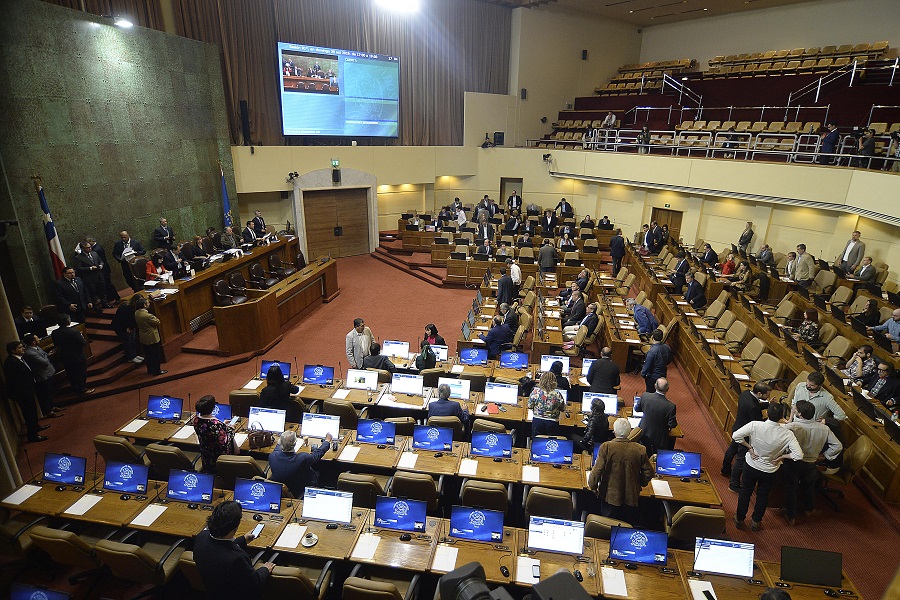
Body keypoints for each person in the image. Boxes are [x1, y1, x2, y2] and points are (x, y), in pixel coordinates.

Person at [732, 402, 802, 531]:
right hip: (770, 470)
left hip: (751, 465)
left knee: (745, 492)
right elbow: (798, 455)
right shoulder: (787, 434)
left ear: (767, 413)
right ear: (782, 416)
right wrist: (782, 457)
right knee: (763, 496)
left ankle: (740, 518)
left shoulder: (755, 425)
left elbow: (736, 436)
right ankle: (756, 522)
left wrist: (749, 448)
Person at [193, 500, 273, 599]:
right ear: (235, 528)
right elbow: (253, 582)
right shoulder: (237, 559)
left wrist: (243, 540)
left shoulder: (201, 537)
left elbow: (219, 548)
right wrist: (265, 569)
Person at [783, 399, 843, 525]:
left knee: (792, 488)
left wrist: (791, 415)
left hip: (793, 462)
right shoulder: (824, 428)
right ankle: (809, 509)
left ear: (800, 414)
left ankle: (791, 516)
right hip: (811, 463)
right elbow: (838, 446)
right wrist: (826, 455)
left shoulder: (792, 427)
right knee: (808, 487)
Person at [588, 418, 653, 523]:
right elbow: (649, 473)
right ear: (629, 432)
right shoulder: (640, 449)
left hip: (609, 497)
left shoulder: (606, 447)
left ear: (614, 432)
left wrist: (593, 487)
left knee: (607, 526)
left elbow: (597, 472)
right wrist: (638, 483)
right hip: (631, 498)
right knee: (626, 528)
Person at [722, 383, 771, 492]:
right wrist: (770, 419)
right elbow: (757, 423)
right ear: (759, 393)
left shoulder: (745, 394)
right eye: (766, 396)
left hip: (737, 427)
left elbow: (755, 405)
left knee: (731, 449)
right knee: (740, 459)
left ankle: (725, 470)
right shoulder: (754, 408)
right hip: (745, 434)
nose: (767, 397)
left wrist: (767, 404)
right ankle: (733, 484)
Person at [4, 340, 49, 442]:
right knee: (29, 413)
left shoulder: (18, 359)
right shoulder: (11, 362)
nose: (23, 348)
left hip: (27, 390)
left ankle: (35, 427)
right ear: (13, 351)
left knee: (32, 411)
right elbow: (14, 380)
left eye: (22, 346)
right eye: (20, 348)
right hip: (22, 393)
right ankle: (33, 435)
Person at [268, 429, 332, 497]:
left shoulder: (272, 456)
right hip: (299, 489)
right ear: (295, 443)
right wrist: (327, 441)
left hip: (281, 490)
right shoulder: (302, 458)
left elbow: (278, 448)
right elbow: (318, 453)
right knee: (321, 470)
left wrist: (284, 439)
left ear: (280, 442)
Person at [191, 394, 238, 473]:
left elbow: (212, 432)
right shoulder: (216, 424)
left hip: (206, 455)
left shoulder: (196, 420)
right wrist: (231, 428)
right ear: (213, 408)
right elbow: (225, 441)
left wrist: (223, 425)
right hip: (218, 457)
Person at [23, 333, 63, 419]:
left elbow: (44, 355)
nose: (39, 339)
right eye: (37, 338)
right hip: (43, 376)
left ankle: (52, 407)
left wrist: (46, 356)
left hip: (48, 373)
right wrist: (47, 356)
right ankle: (49, 411)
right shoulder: (29, 352)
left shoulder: (36, 348)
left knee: (50, 392)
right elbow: (44, 362)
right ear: (33, 342)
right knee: (46, 394)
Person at [51, 314, 92, 396]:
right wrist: (81, 336)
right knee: (81, 373)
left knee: (71, 374)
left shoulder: (54, 332)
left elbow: (56, 344)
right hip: (77, 356)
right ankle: (82, 389)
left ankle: (75, 389)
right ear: (68, 321)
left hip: (65, 357)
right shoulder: (74, 332)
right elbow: (83, 343)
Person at [637, 378, 677, 454]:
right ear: (667, 389)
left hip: (643, 433)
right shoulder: (670, 406)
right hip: (660, 439)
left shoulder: (645, 396)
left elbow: (637, 409)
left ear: (655, 386)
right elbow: (672, 424)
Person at [134, 296, 166, 376]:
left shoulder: (136, 313)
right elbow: (157, 322)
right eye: (148, 303)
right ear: (145, 305)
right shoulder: (148, 316)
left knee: (148, 355)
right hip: (152, 337)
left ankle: (150, 370)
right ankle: (157, 371)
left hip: (144, 337)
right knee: (156, 355)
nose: (149, 304)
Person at [528, 371, 565, 437]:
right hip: (552, 423)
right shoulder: (557, 394)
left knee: (537, 442)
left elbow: (530, 406)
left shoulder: (535, 392)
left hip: (537, 421)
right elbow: (563, 408)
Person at [111, 295, 142, 363]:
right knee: (127, 341)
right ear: (135, 301)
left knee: (132, 340)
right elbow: (122, 319)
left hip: (129, 326)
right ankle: (130, 357)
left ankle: (135, 355)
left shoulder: (134, 307)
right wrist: (127, 327)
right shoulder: (125, 307)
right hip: (121, 327)